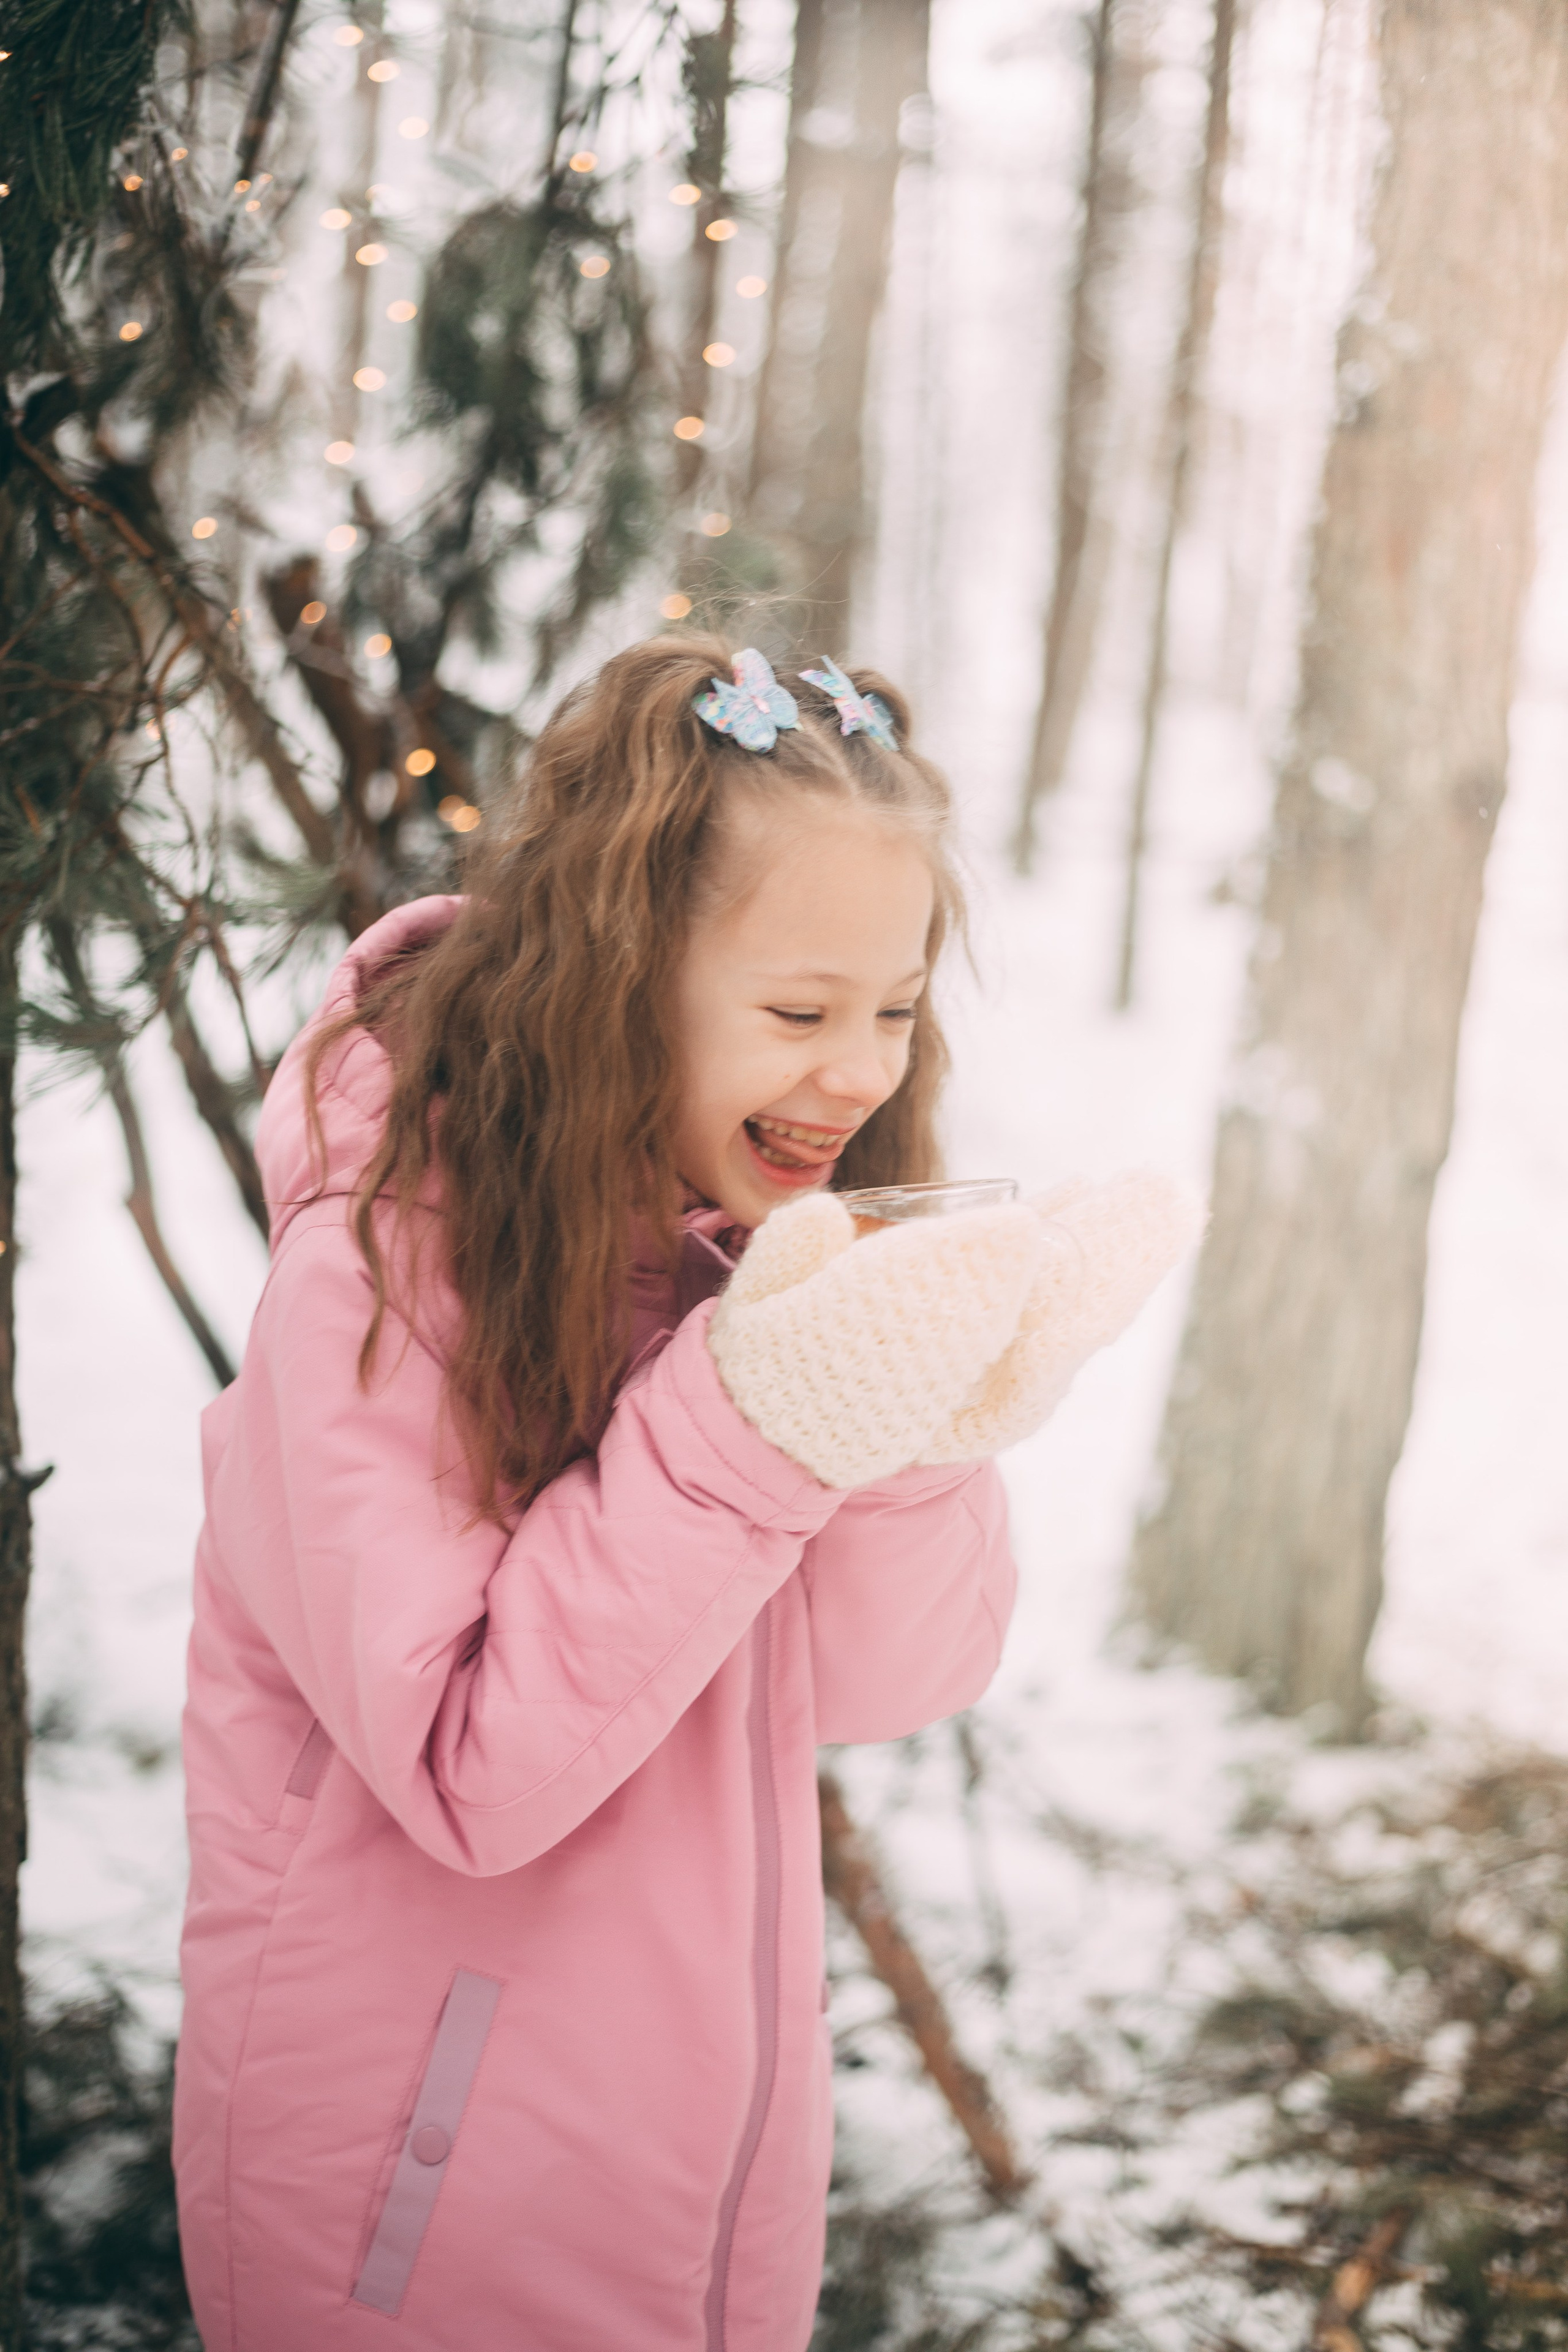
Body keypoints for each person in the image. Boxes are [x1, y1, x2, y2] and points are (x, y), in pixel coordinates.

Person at [173, 636, 1193, 2350]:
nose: (862, 1071)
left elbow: (890, 1683)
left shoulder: (736, 1256)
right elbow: (467, 1769)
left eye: (893, 1007)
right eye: (800, 1013)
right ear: (619, 973)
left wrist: (921, 1421)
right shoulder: (386, 1269)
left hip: (696, 2201)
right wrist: (751, 1428)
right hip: (409, 2230)